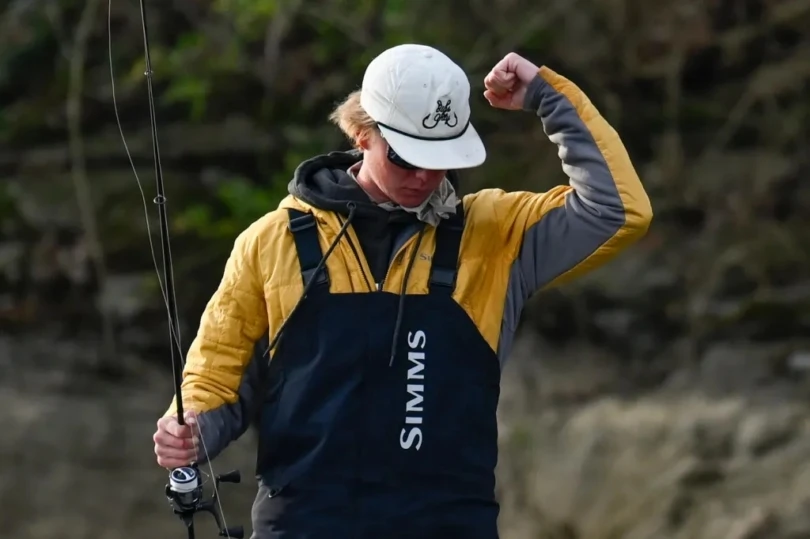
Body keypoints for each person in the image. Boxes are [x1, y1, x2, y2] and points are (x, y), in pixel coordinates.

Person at [152, 43, 653, 538]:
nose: (423, 177)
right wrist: (191, 432)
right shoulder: (271, 242)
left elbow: (618, 210)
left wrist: (548, 97)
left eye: (439, 159)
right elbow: (216, 381)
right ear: (361, 133)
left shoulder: (496, 234)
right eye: (406, 158)